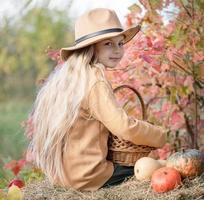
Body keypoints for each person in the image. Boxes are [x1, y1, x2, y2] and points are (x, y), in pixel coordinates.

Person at [27, 8, 167, 191]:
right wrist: (159, 136)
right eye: (108, 44)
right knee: (158, 167)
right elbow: (123, 126)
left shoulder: (71, 78)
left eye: (120, 43)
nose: (117, 50)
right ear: (90, 47)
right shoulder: (94, 80)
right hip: (90, 176)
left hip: (64, 177)